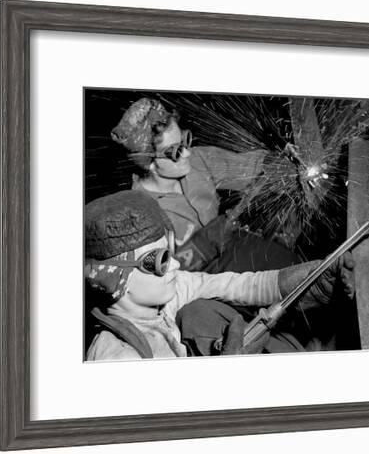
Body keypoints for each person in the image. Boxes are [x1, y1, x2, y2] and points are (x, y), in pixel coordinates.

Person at [84, 190, 355, 361]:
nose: (176, 265)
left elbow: (234, 285)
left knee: (199, 313)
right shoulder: (118, 358)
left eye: (171, 252)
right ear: (114, 280)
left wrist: (314, 278)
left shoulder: (163, 302)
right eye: (160, 260)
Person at [110, 97, 298, 273]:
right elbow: (161, 281)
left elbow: (244, 166)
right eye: (175, 152)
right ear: (149, 163)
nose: (187, 154)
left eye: (184, 141)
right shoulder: (139, 215)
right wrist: (201, 245)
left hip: (231, 258)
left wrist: (277, 160)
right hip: (195, 291)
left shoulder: (197, 161)